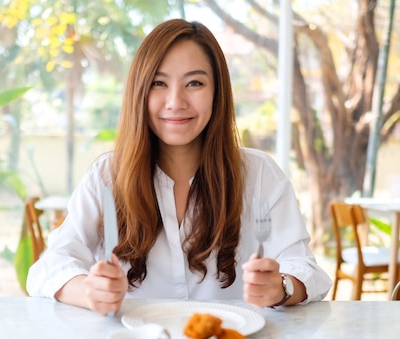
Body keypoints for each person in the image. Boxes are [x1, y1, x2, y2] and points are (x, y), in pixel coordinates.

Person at [27, 19, 332, 315]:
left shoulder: (259, 174)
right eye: (159, 83)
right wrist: (90, 291)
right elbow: (50, 266)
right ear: (139, 92)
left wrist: (281, 288)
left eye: (194, 83)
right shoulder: (107, 176)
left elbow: (305, 269)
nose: (175, 101)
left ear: (217, 93)